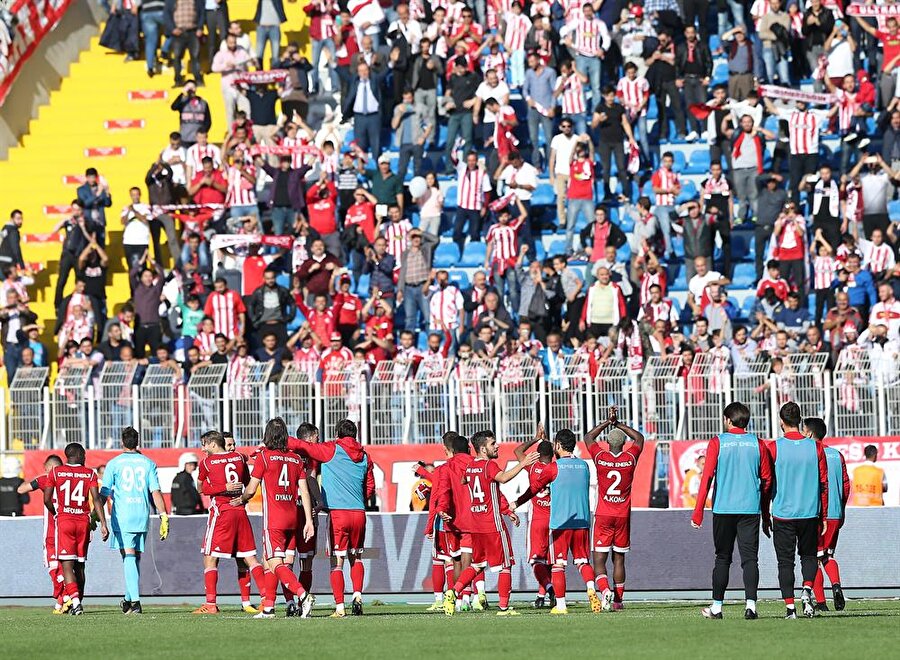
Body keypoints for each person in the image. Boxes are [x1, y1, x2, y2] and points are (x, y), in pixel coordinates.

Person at [689, 402, 772, 620]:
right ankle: (751, 606)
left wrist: (698, 512)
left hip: (723, 509)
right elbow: (767, 480)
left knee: (722, 558)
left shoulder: (718, 442)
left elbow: (706, 477)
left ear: (728, 420)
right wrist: (765, 513)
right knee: (750, 559)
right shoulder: (758, 443)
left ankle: (717, 608)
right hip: (749, 509)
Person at [440, 430, 537, 617]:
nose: (497, 446)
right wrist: (523, 463)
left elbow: (463, 480)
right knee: (505, 566)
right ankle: (503, 608)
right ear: (483, 449)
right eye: (493, 444)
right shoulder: (489, 465)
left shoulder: (469, 467)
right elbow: (504, 478)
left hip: (475, 526)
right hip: (492, 524)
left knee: (477, 565)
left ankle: (453, 592)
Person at [287, 419, 374, 617]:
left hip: (338, 514)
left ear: (337, 434)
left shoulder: (332, 449)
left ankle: (340, 607)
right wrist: (358, 498)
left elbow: (302, 445)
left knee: (337, 562)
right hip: (359, 512)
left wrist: (279, 439)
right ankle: (358, 596)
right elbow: (369, 486)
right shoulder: (365, 456)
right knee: (357, 557)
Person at [232, 418, 314, 619]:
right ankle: (268, 608)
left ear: (267, 435)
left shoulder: (264, 457)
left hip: (274, 521)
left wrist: (240, 500)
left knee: (274, 562)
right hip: (293, 518)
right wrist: (309, 521)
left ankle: (302, 595)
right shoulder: (296, 459)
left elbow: (251, 490)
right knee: (276, 563)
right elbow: (304, 491)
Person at [515, 427, 601, 615]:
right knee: (582, 561)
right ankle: (591, 589)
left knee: (557, 564)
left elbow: (535, 488)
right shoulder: (584, 466)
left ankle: (560, 604)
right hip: (582, 520)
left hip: (559, 522)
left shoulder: (553, 468)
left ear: (559, 446)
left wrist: (516, 502)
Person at [766, 402, 829, 619]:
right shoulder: (816, 447)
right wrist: (824, 514)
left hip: (783, 513)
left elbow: (766, 482)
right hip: (810, 512)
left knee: (785, 562)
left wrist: (765, 512)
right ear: (800, 420)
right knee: (809, 556)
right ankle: (807, 590)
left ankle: (790, 608)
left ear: (781, 422)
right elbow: (823, 482)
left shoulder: (773, 448)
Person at [193, 430, 266, 614]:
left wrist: (221, 488)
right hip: (240, 511)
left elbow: (201, 488)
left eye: (204, 444)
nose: (203, 448)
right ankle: (267, 599)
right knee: (250, 558)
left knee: (210, 557)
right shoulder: (240, 458)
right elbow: (249, 482)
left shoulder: (207, 463)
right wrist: (242, 498)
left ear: (213, 444)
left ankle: (210, 604)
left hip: (222, 512)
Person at [99, 427, 169, 615]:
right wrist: (163, 515)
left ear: (122, 441)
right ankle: (128, 600)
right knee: (133, 556)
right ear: (137, 441)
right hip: (142, 514)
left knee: (128, 555)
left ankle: (136, 602)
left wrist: (95, 516)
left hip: (123, 516)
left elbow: (104, 492)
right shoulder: (148, 463)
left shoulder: (114, 464)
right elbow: (155, 491)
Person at [583, 405, 645, 611]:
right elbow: (640, 438)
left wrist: (607, 423)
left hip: (603, 514)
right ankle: (618, 602)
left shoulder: (600, 458)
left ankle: (605, 591)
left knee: (599, 559)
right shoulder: (630, 459)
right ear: (625, 443)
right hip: (622, 515)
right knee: (619, 559)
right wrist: (619, 424)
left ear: (608, 442)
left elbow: (588, 437)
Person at [43, 442, 110, 616]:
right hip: (83, 522)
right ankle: (78, 600)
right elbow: (96, 499)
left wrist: (56, 513)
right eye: (84, 455)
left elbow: (47, 499)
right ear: (79, 455)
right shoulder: (90, 473)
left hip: (65, 521)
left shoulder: (56, 472)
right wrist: (103, 523)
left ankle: (76, 603)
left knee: (67, 566)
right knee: (80, 566)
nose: (85, 458)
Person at [803, 417, 849, 613]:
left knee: (812, 557)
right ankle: (836, 585)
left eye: (804, 431)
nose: (803, 434)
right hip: (835, 514)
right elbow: (846, 486)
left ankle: (821, 602)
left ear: (810, 434)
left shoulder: (811, 453)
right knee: (827, 555)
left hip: (817, 513)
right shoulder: (837, 455)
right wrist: (841, 510)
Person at [510, 425, 555, 608]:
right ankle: (541, 595)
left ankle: (549, 590)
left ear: (536, 454)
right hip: (554, 520)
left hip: (536, 520)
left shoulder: (532, 467)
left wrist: (536, 439)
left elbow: (518, 450)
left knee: (536, 560)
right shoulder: (557, 468)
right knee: (550, 562)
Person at [17, 454, 67, 612]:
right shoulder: (69, 480)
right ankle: (61, 603)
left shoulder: (45, 479)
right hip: (69, 528)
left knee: (51, 564)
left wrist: (41, 477)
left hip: (52, 529)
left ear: (49, 467)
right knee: (64, 565)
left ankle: (66, 595)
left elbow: (21, 489)